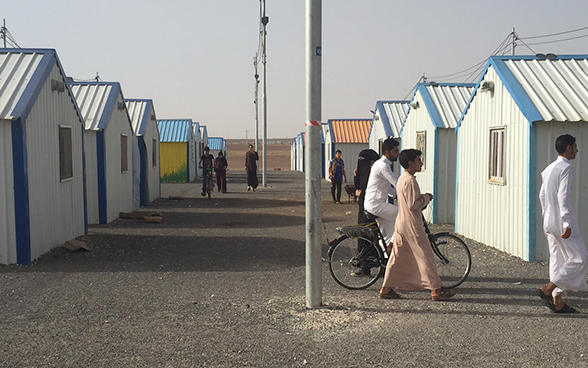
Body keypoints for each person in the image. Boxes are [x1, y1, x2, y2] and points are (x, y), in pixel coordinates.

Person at [379, 149, 455, 301]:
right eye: (419, 160)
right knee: (425, 256)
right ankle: (436, 289)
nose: (421, 163)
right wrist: (426, 198)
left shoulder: (402, 179)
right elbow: (413, 204)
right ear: (410, 163)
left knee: (397, 257)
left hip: (401, 223)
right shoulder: (411, 181)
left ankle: (386, 288)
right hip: (412, 225)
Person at [537, 134, 588, 313]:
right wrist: (566, 222)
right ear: (568, 148)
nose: (577, 150)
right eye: (575, 146)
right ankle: (549, 289)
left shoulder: (549, 168)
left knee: (557, 259)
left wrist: (547, 215)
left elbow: (542, 195)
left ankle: (557, 301)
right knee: (581, 258)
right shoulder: (566, 167)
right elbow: (563, 196)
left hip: (549, 219)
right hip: (561, 220)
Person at [364, 138, 400, 249]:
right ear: (387, 153)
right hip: (376, 204)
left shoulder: (382, 165)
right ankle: (389, 248)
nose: (398, 154)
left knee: (388, 237)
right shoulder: (383, 166)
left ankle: (386, 262)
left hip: (376, 203)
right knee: (403, 214)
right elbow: (398, 183)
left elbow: (387, 188)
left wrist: (396, 195)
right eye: (395, 151)